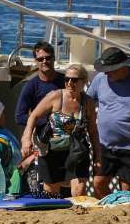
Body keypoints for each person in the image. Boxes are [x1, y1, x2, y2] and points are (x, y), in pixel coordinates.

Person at [22, 63, 99, 197]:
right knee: (51, 194)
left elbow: (92, 131)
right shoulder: (55, 97)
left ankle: (78, 216)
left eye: (74, 80)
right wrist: (26, 138)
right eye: (66, 79)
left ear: (84, 81)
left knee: (79, 191)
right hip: (53, 151)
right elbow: (33, 116)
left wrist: (98, 156)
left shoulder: (88, 103)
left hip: (77, 151)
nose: (69, 83)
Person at [88, 47, 130, 197]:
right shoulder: (100, 79)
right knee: (98, 183)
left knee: (126, 191)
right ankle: (111, 208)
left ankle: (120, 217)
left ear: (123, 66)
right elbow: (87, 103)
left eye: (110, 69)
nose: (106, 72)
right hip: (105, 146)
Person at [15, 41, 64, 127]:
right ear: (36, 61)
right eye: (40, 59)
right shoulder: (31, 86)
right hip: (42, 133)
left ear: (54, 58)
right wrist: (46, 122)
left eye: (48, 58)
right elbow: (19, 117)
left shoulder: (67, 81)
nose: (44, 61)